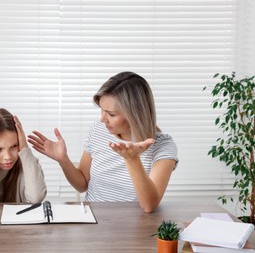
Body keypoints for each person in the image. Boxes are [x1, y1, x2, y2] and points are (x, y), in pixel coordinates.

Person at [28, 71, 178, 213]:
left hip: (136, 229)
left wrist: (132, 159)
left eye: (111, 114)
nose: (102, 119)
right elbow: (82, 185)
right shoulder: (98, 130)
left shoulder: (163, 146)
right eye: (102, 110)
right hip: (93, 219)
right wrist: (63, 160)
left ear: (135, 114)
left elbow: (149, 205)